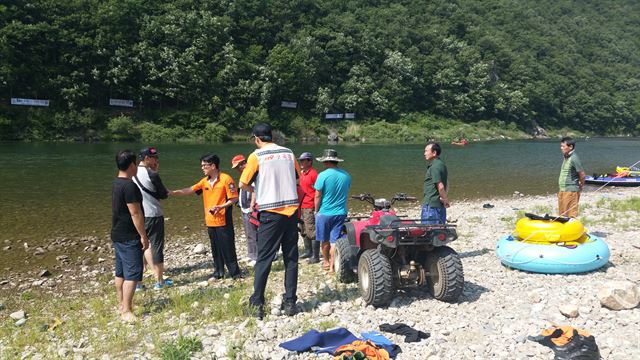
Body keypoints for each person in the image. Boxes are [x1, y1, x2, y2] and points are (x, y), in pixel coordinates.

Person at [239, 123, 301, 319]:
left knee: (264, 258)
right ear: (271, 136)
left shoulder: (256, 156)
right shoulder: (289, 152)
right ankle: (290, 302)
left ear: (257, 138)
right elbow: (298, 178)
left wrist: (258, 190)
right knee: (291, 258)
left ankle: (257, 303)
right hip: (291, 211)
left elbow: (243, 183)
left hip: (271, 212)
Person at [171, 154, 241, 281]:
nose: (202, 168)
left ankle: (235, 274)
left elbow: (235, 198)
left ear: (213, 166)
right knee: (215, 248)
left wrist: (221, 207)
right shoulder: (205, 181)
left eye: (205, 165)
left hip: (223, 220)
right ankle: (218, 272)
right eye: (202, 165)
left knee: (228, 247)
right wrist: (171, 193)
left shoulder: (226, 179)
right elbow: (190, 190)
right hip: (210, 221)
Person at [111, 150, 149, 323]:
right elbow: (135, 213)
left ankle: (121, 304)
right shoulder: (129, 186)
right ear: (132, 165)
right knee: (132, 274)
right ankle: (126, 310)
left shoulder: (116, 183)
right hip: (129, 235)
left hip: (117, 233)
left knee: (120, 272)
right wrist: (143, 235)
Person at [133, 147, 173, 290]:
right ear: (146, 159)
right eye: (154, 157)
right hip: (153, 214)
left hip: (136, 215)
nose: (156, 160)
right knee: (155, 246)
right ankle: (159, 281)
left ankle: (138, 283)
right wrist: (156, 172)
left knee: (140, 246)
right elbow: (163, 194)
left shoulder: (131, 172)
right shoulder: (152, 174)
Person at [314, 149, 351, 273]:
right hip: (340, 212)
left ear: (325, 161)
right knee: (335, 240)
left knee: (324, 239)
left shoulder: (322, 175)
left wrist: (316, 210)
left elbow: (317, 196)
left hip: (324, 212)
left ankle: (326, 262)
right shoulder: (346, 175)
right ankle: (333, 265)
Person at [231, 154, 258, 266]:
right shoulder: (245, 174)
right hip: (244, 208)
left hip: (250, 209)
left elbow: (254, 191)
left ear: (244, 163)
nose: (237, 169)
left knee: (253, 233)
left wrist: (252, 206)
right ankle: (251, 254)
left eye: (238, 166)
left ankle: (256, 257)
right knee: (248, 233)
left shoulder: (251, 173)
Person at [298, 152, 319, 263]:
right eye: (300, 160)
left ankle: (315, 256)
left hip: (310, 206)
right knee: (303, 229)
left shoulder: (314, 174)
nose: (301, 162)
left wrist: (316, 207)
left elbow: (318, 191)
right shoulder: (303, 173)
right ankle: (308, 251)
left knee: (311, 230)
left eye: (303, 160)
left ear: (310, 161)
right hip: (301, 205)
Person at [422, 142, 449, 224]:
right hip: (439, 205)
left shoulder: (434, 167)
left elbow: (440, 186)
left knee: (428, 232)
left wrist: (445, 199)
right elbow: (447, 183)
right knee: (439, 232)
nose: (424, 153)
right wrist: (444, 197)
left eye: (426, 151)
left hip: (431, 206)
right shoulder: (441, 164)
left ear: (434, 153)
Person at [558, 137, 586, 217]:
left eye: (563, 146)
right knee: (562, 214)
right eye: (561, 146)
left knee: (570, 214)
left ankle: (573, 228)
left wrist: (581, 185)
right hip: (562, 189)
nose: (561, 148)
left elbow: (582, 174)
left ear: (570, 147)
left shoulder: (574, 158)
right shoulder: (566, 156)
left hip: (571, 191)